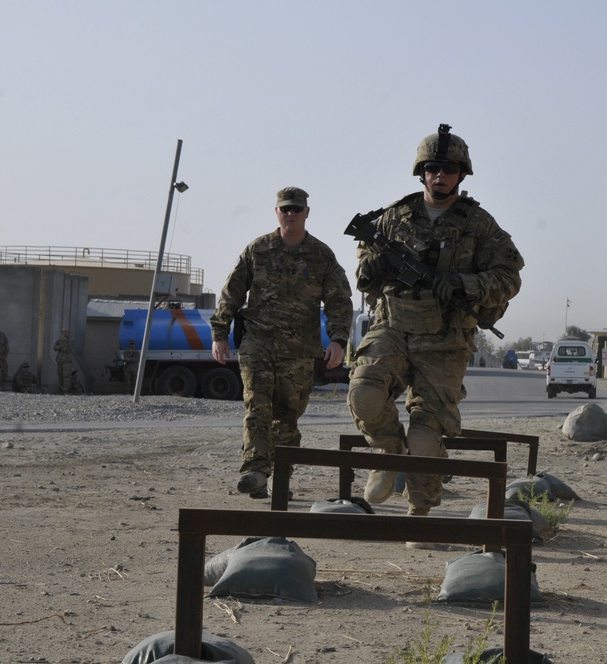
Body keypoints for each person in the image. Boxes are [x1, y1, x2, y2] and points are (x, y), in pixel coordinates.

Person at [347, 124, 524, 535]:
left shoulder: (479, 225)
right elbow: (364, 270)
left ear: (461, 174)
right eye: (432, 169)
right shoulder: (392, 218)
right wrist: (370, 268)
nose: (439, 176)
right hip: (391, 324)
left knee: (427, 438)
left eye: (448, 169)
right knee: (364, 392)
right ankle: (388, 452)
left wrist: (467, 284)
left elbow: (510, 276)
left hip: (445, 338)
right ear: (421, 172)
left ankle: (419, 515)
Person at [210, 186, 353, 498]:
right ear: (276, 212)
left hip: (300, 351)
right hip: (258, 343)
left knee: (287, 417)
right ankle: (255, 469)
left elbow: (339, 300)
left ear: (306, 213)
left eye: (296, 209)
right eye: (285, 209)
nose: (290, 214)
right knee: (257, 404)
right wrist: (220, 334)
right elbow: (232, 292)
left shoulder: (321, 256)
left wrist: (339, 340)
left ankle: (281, 477)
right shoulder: (258, 250)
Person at [54, 329, 74, 394]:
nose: (64, 333)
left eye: (65, 332)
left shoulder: (70, 341)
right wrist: (60, 347)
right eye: (63, 332)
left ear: (68, 332)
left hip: (67, 360)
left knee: (66, 375)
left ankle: (66, 390)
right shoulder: (60, 340)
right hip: (60, 360)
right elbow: (54, 347)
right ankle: (61, 388)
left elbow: (67, 349)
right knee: (60, 375)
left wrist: (60, 347)